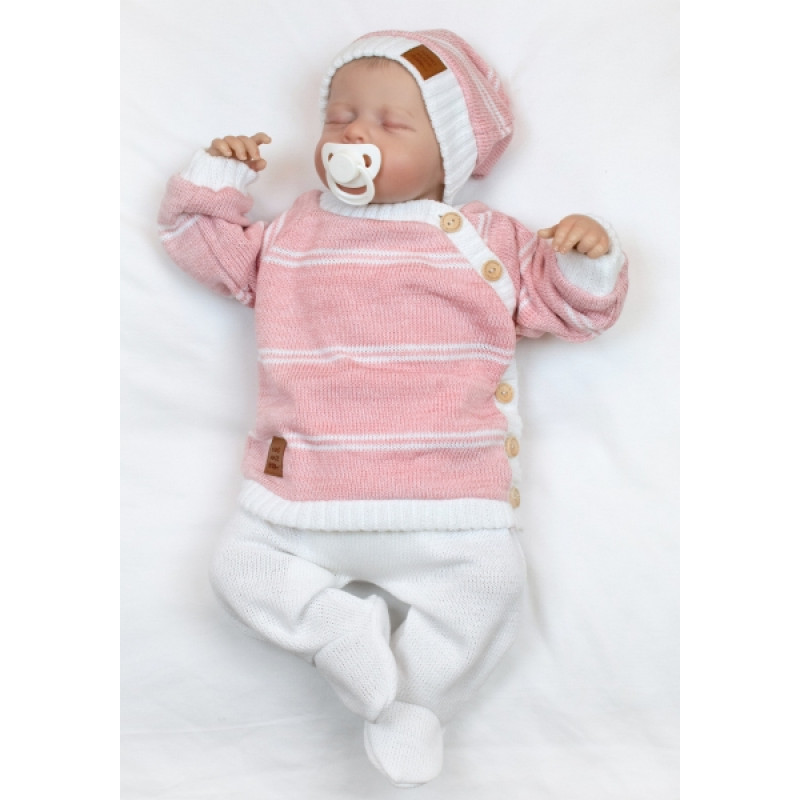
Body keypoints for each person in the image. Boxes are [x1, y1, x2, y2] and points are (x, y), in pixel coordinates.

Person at [158, 28, 628, 788]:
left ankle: (414, 703)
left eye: (389, 123)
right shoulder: (292, 233)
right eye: (339, 117)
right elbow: (202, 247)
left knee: (491, 589)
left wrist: (586, 257)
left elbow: (574, 310)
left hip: (447, 499)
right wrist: (216, 176)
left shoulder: (484, 241)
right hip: (302, 495)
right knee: (238, 573)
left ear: (449, 157)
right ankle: (341, 633)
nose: (354, 136)